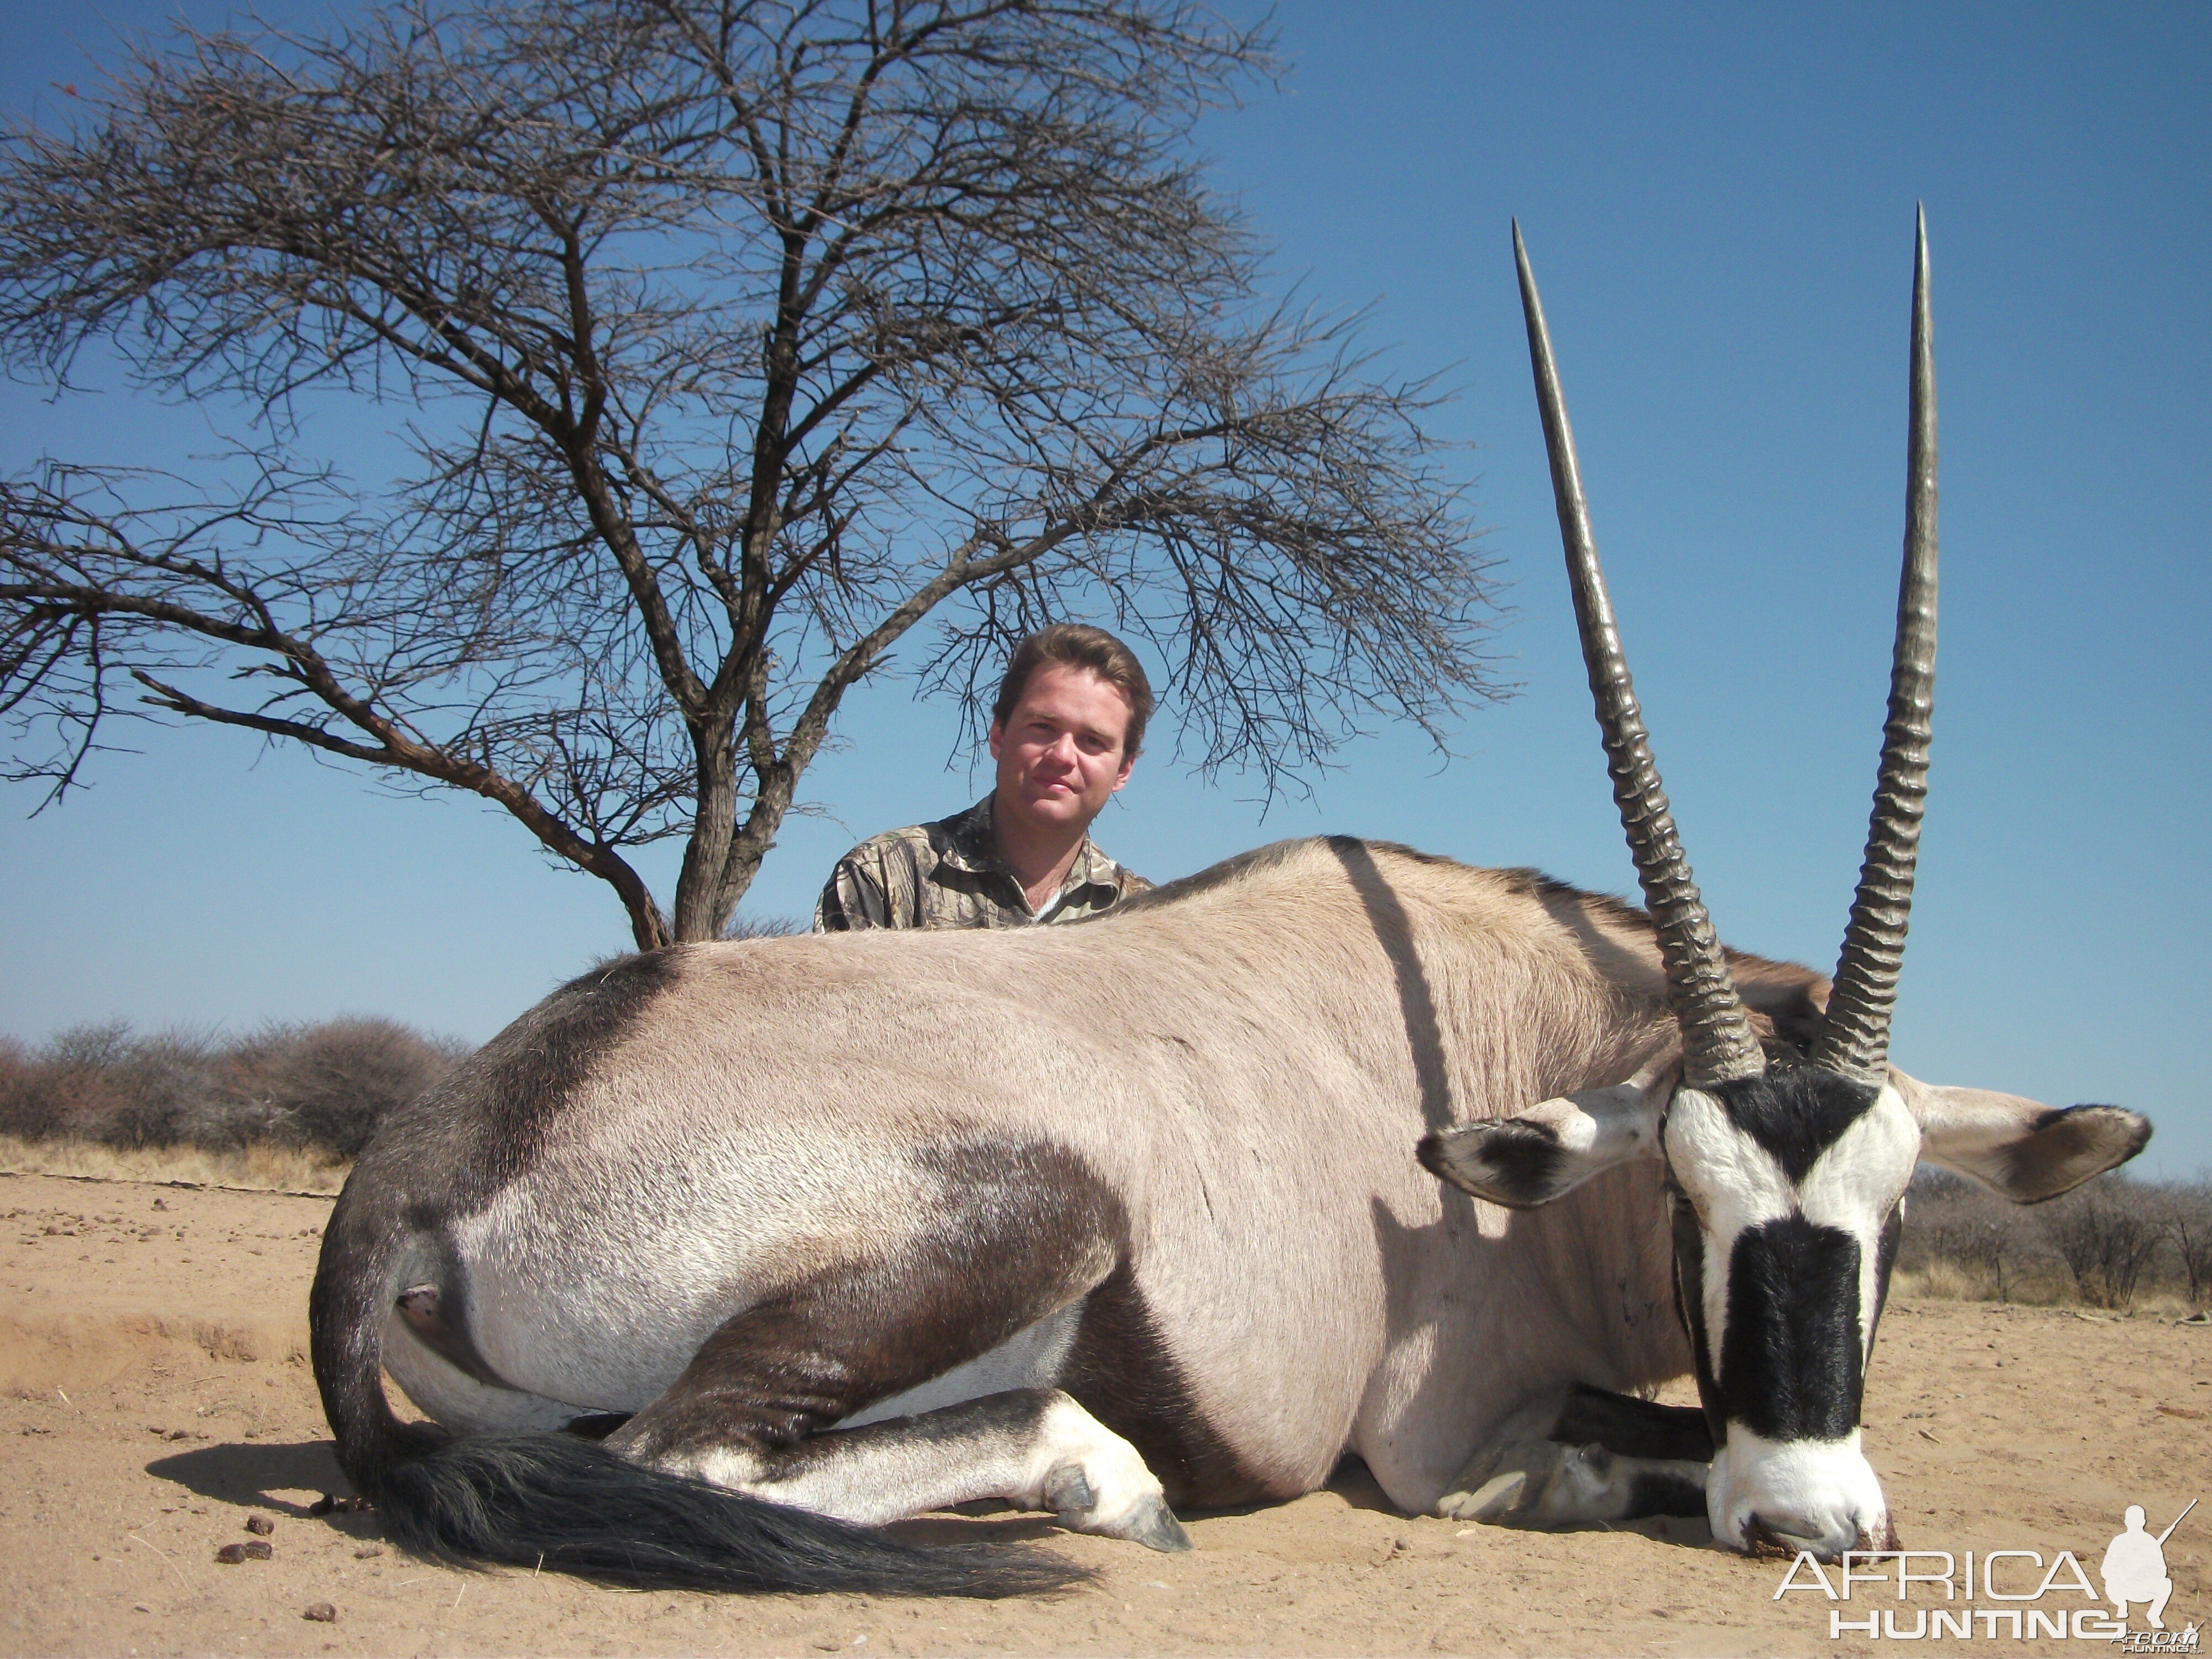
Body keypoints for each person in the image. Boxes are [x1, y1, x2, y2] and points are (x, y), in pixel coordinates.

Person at [813, 624, 1155, 931]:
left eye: (1092, 741)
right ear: (998, 736)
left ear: (1123, 770)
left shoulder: (1147, 919)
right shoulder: (882, 877)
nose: (1063, 755)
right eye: (1043, 727)